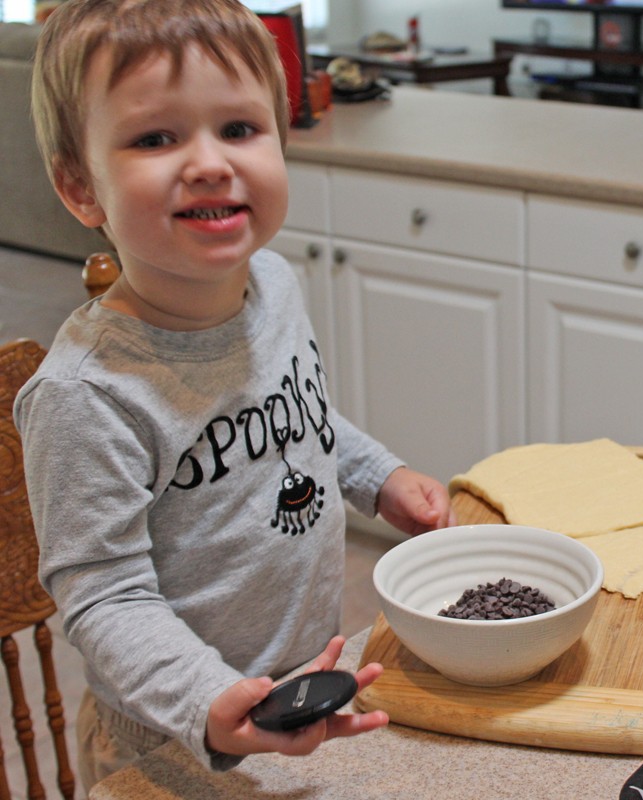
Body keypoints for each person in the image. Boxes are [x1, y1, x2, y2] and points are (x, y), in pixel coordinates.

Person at [15, 0, 455, 790]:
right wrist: (209, 697)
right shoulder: (87, 395)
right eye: (156, 137)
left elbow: (299, 420)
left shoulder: (274, 285)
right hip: (172, 740)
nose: (210, 162)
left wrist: (377, 476)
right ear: (82, 187)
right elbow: (103, 597)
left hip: (300, 689)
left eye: (240, 129)